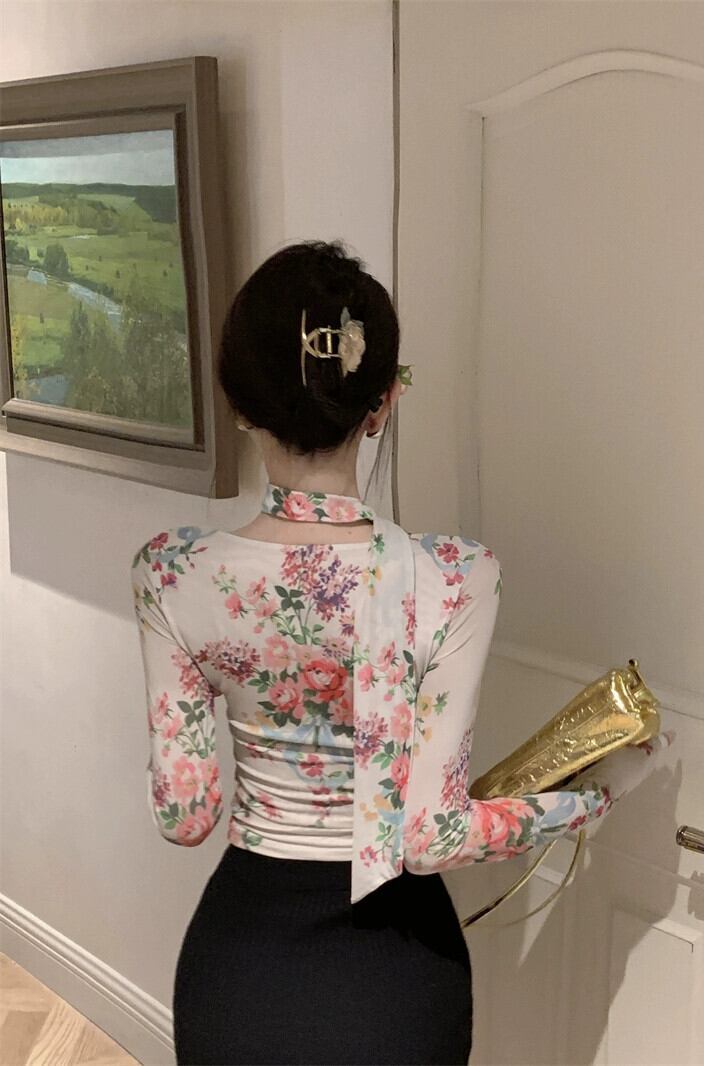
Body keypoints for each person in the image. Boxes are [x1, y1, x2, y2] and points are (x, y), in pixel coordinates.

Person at [129, 239, 674, 1066]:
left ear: (240, 405)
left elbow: (186, 815)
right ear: (382, 403)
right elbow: (430, 836)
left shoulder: (173, 571)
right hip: (394, 978)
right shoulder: (454, 577)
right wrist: (596, 796)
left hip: (243, 972)